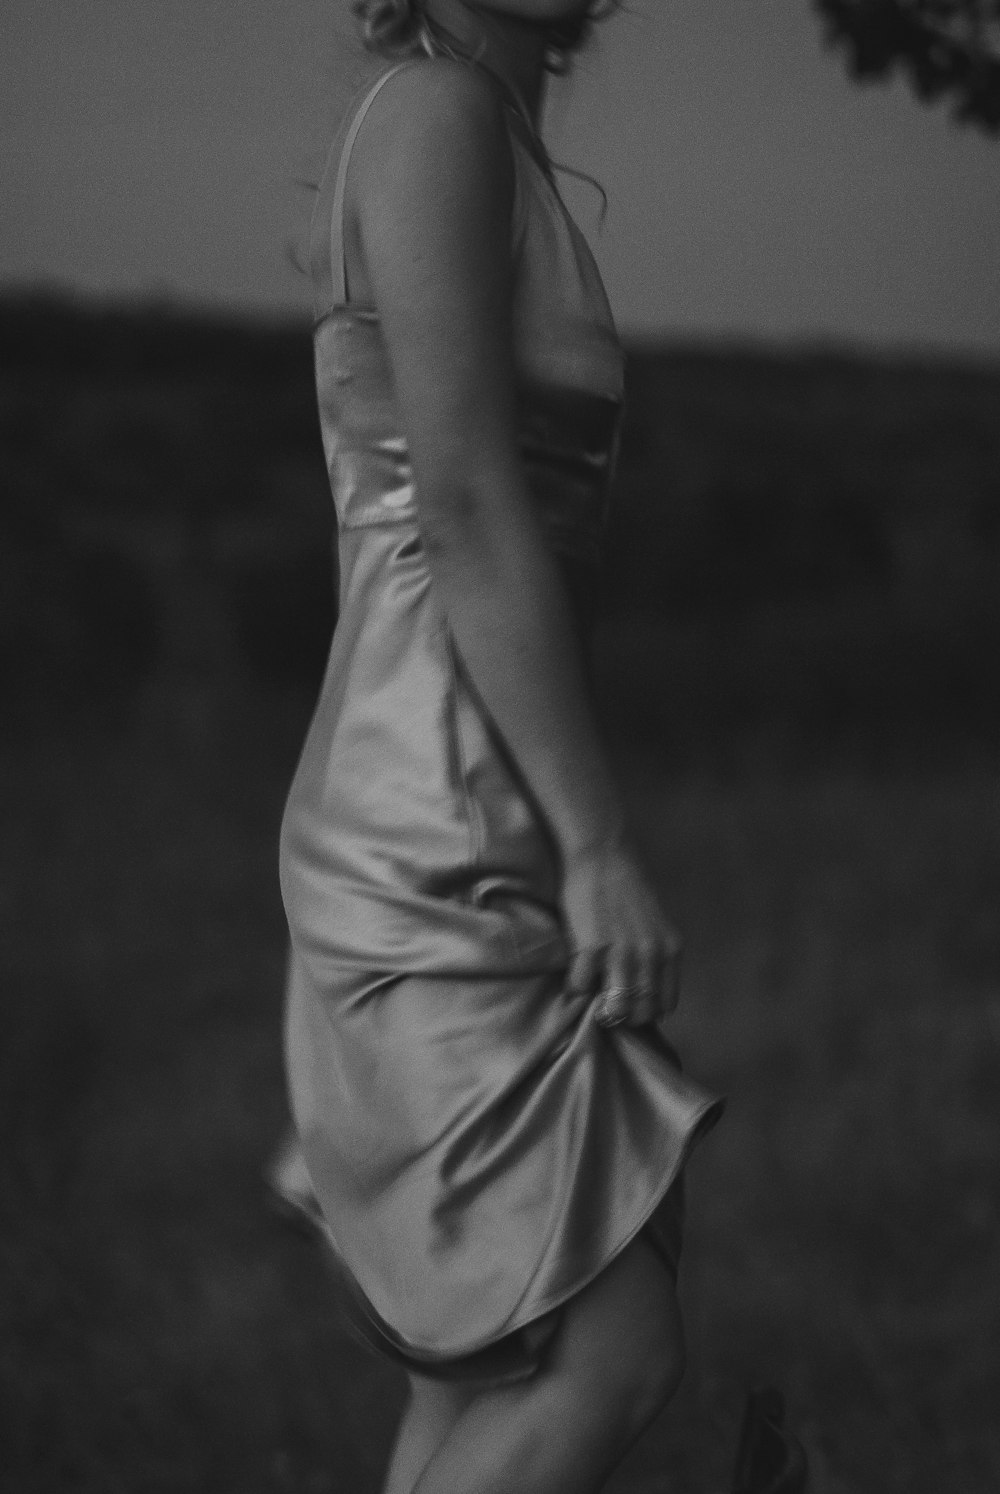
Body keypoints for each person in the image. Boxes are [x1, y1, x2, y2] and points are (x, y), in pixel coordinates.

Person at [276, 2, 728, 1490]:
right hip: (436, 816)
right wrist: (598, 845)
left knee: (502, 1357)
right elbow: (465, 503)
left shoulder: (493, 134)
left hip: (493, 790)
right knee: (617, 1350)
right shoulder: (436, 116)